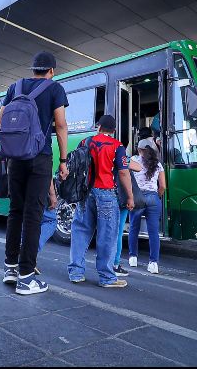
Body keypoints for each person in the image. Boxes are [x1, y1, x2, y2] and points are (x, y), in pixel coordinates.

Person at [0, 51, 69, 296]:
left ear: (33, 68)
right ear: (51, 71)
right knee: (33, 215)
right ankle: (27, 277)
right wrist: (63, 160)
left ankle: (10, 268)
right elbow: (60, 125)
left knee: (15, 211)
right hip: (39, 157)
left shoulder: (14, 87)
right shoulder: (55, 88)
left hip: (15, 158)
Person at [68, 115, 133, 288]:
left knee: (80, 231)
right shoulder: (117, 146)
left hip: (85, 192)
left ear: (98, 127)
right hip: (106, 193)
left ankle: (76, 273)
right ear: (114, 130)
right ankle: (107, 277)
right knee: (107, 235)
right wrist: (130, 197)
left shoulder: (85, 142)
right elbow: (123, 173)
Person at [128, 138, 166, 274]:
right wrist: (157, 196)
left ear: (139, 149)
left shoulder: (134, 160)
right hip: (153, 197)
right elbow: (162, 186)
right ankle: (153, 263)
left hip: (138, 197)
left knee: (134, 227)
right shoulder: (158, 164)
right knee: (153, 232)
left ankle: (133, 257)